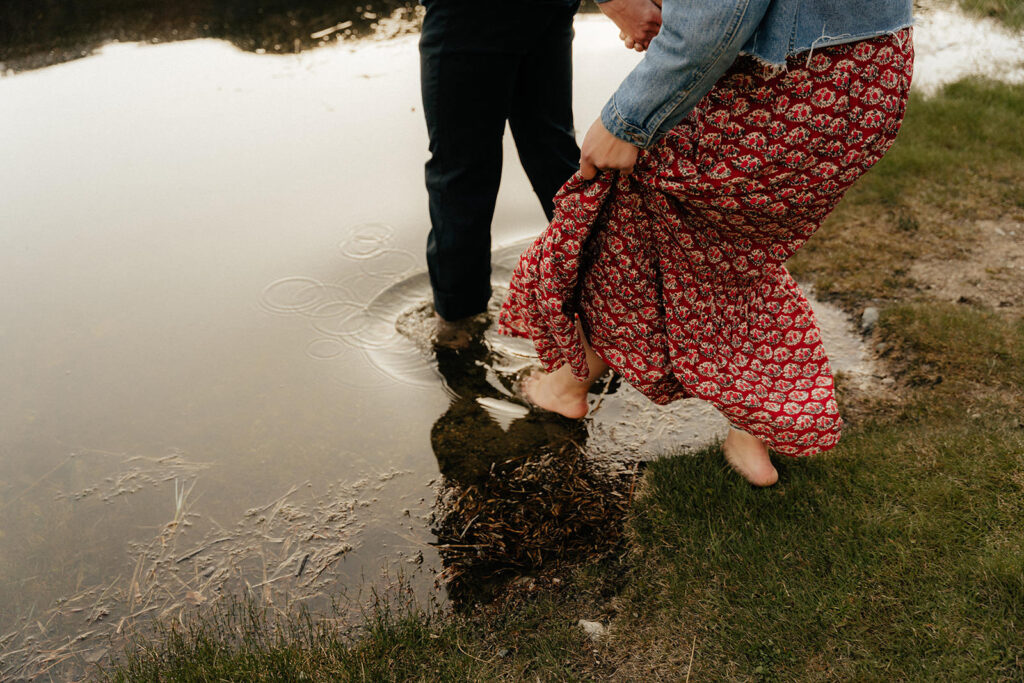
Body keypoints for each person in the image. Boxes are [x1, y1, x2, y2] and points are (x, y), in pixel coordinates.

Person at [499, 0, 915, 486]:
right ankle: (737, 427)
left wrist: (624, 119)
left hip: (801, 85)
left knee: (630, 205)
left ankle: (574, 382)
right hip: (870, 78)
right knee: (722, 251)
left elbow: (720, 14)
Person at [419, 0, 663, 347]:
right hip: (545, 7)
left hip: (469, 12)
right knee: (552, 153)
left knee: (460, 176)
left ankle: (458, 332)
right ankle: (615, 303)